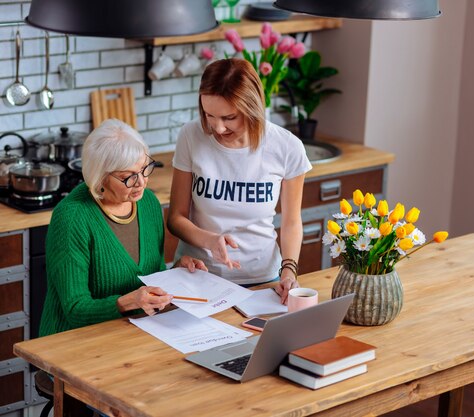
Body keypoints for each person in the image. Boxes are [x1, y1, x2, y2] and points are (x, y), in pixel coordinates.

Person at [40, 119, 207, 338]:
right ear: (100, 177)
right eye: (128, 177)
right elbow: (75, 309)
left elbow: (151, 278)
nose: (141, 183)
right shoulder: (72, 218)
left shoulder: (148, 203)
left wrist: (177, 273)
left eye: (144, 169)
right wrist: (125, 303)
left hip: (133, 335)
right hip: (73, 344)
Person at [168, 58, 312, 303]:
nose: (218, 128)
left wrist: (289, 270)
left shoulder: (286, 146)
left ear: (252, 107)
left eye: (229, 117)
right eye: (209, 115)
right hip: (198, 277)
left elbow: (291, 222)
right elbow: (175, 218)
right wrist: (209, 240)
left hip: (262, 281)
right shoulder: (191, 136)